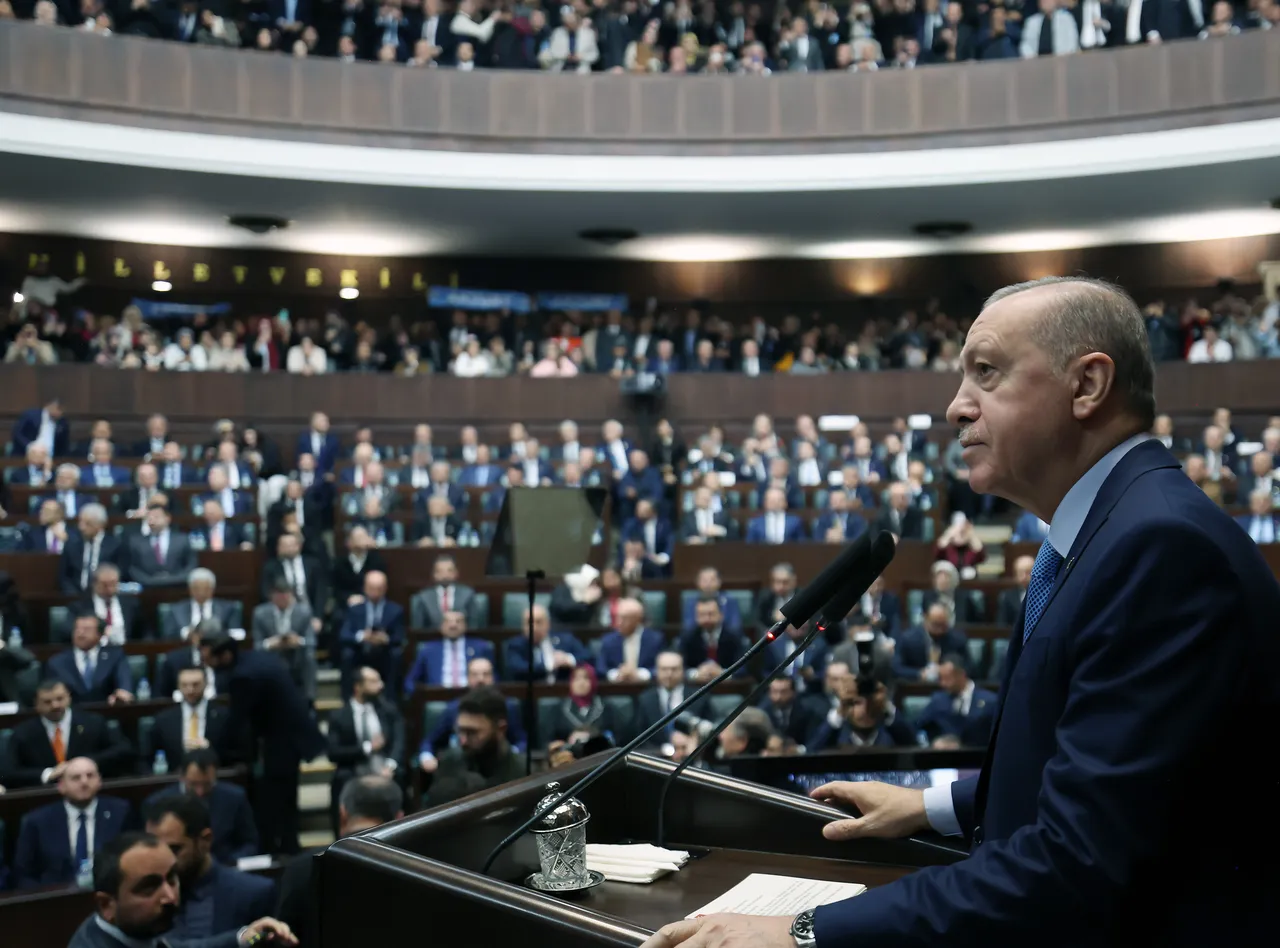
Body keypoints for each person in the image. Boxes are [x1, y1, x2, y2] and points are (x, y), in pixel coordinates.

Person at [642, 276, 1280, 947]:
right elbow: (1112, 768)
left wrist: (800, 932)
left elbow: (1075, 863)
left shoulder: (1158, 549)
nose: (956, 407)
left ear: (1088, 386)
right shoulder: (1112, 531)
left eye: (987, 372)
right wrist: (934, 804)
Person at [200, 631, 324, 855]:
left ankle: (279, 854)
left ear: (225, 656)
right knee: (287, 802)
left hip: (281, 743)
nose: (207, 664)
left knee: (275, 803)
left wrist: (210, 750)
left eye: (209, 659)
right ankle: (287, 848)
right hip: (289, 738)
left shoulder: (244, 676)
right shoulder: (254, 658)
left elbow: (236, 721)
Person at [65, 832, 295, 948]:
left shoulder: (126, 932)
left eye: (172, 878)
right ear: (106, 904)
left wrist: (245, 937)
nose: (170, 896)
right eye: (149, 888)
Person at [275, 776, 403, 947]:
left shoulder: (299, 869)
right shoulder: (417, 868)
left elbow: (283, 937)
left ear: (342, 814)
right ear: (399, 817)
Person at [142, 794, 275, 940]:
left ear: (205, 840)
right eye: (156, 851)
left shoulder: (253, 894)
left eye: (174, 849)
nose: (164, 860)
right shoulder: (140, 897)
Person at [12, 756, 131, 889]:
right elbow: (23, 873)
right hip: (56, 895)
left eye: (90, 776)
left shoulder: (120, 812)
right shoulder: (38, 821)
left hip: (108, 890)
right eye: (76, 778)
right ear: (61, 786)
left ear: (99, 781)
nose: (84, 782)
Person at [144, 749, 259, 866]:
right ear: (182, 776)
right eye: (194, 784)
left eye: (207, 784)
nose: (200, 791)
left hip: (224, 866)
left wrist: (232, 862)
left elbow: (250, 843)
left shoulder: (234, 797)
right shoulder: (157, 803)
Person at [426, 686, 525, 806]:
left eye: (472, 733)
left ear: (501, 729)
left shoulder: (523, 773)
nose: (463, 741)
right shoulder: (449, 763)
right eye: (460, 731)